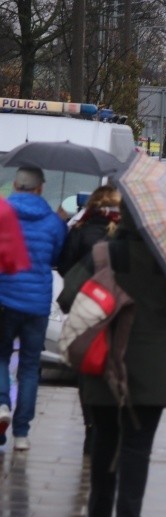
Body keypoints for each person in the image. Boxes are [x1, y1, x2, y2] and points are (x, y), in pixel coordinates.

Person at [58, 199, 166, 517]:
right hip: (153, 375)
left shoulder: (105, 255)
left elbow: (68, 297)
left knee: (105, 440)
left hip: (104, 368)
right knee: (137, 448)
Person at [0, 167, 67, 451]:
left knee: (1, 356)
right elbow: (56, 255)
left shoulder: (2, 213)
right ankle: (22, 433)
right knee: (29, 367)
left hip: (4, 298)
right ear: (41, 189)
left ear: (15, 185)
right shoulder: (52, 221)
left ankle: (2, 404)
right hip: (37, 304)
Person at [57, 185, 122, 455]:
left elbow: (63, 265)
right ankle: (110, 424)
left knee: (87, 368)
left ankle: (90, 427)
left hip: (86, 307)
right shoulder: (121, 235)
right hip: (116, 311)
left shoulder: (80, 230)